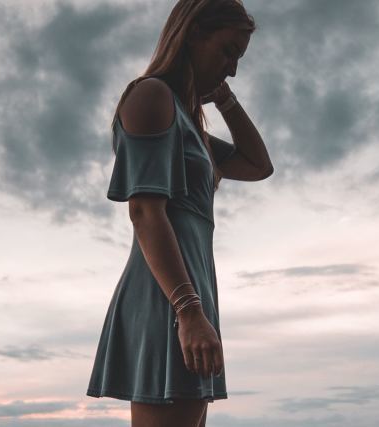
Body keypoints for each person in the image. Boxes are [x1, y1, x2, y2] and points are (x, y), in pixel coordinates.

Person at [87, 0, 273, 425]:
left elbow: (259, 165)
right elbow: (144, 213)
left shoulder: (194, 129)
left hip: (191, 294)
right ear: (192, 34)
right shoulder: (151, 96)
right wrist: (187, 311)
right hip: (170, 296)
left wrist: (223, 98)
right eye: (227, 51)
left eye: (239, 58)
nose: (232, 68)